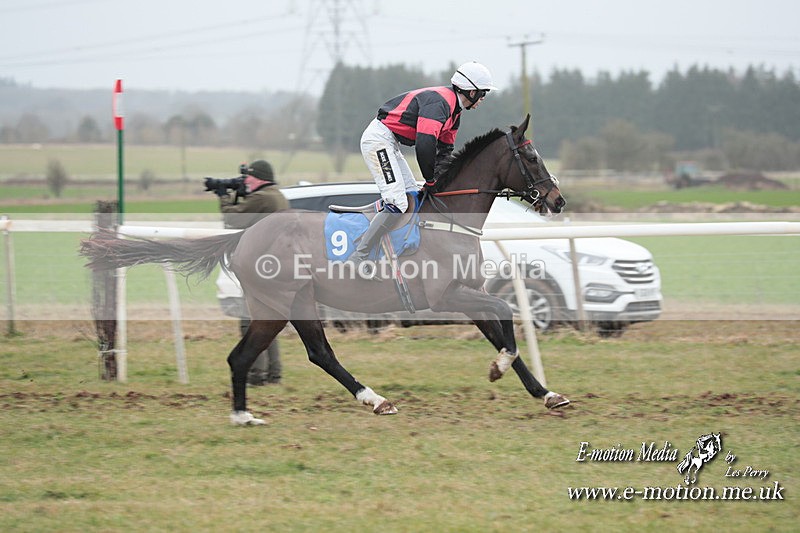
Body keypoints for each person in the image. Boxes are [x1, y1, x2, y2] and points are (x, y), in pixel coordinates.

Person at [351, 61, 497, 275]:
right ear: (472, 91)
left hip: (390, 142)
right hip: (378, 140)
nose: (483, 98)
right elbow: (425, 145)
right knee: (398, 202)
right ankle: (360, 256)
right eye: (483, 93)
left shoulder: (454, 113)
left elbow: (444, 152)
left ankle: (396, 249)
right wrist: (430, 180)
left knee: (412, 196)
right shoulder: (440, 104)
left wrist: (441, 182)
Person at [214, 159, 289, 385]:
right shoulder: (277, 196)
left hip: (262, 266)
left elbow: (232, 218)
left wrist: (223, 195)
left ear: (260, 178)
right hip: (275, 266)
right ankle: (273, 373)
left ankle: (256, 374)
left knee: (251, 321)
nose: (246, 180)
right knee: (268, 321)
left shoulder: (262, 197)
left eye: (249, 177)